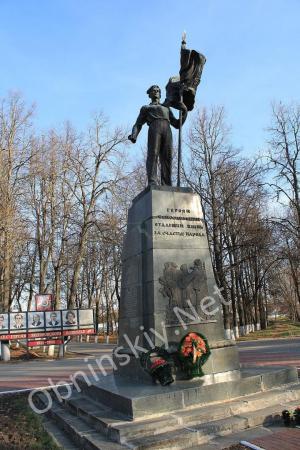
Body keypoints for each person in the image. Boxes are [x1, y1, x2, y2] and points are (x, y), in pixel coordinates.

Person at [128, 85, 187, 186]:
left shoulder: (166, 108)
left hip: (167, 130)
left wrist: (184, 112)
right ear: (150, 95)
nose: (155, 92)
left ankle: (166, 183)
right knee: (153, 154)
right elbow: (138, 124)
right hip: (154, 128)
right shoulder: (146, 108)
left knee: (167, 157)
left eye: (157, 91)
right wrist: (134, 135)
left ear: (160, 94)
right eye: (153, 91)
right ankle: (152, 181)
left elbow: (177, 124)